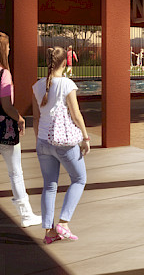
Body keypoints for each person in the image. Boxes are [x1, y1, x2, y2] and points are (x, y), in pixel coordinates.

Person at [31, 46, 89, 244]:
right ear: (65, 62)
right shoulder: (67, 84)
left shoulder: (37, 86)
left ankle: (49, 232)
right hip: (64, 142)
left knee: (49, 186)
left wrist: (41, 141)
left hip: (43, 142)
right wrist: (86, 138)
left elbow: (36, 119)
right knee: (79, 179)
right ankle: (63, 223)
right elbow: (76, 114)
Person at [0, 32, 41, 227]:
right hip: (5, 130)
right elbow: (7, 105)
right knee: (15, 172)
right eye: (8, 46)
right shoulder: (4, 74)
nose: (10, 49)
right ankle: (26, 215)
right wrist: (20, 118)